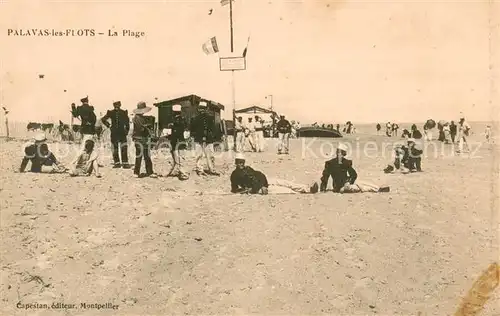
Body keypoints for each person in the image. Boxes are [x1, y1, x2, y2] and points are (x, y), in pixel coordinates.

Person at [230, 153, 319, 195]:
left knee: (286, 183)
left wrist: (263, 184)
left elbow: (259, 174)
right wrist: (248, 190)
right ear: (236, 163)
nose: (241, 164)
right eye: (239, 162)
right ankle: (306, 192)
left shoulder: (248, 168)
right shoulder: (234, 175)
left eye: (242, 162)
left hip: (265, 182)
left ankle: (308, 188)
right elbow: (234, 189)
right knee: (286, 190)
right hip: (258, 188)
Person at [320, 143, 389, 193]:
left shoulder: (346, 162)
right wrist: (323, 189)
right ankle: (378, 190)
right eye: (338, 152)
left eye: (341, 153)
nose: (339, 154)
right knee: (359, 187)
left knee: (361, 182)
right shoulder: (330, 163)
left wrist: (349, 182)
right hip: (339, 188)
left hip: (347, 184)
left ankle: (378, 188)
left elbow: (354, 175)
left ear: (344, 154)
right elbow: (325, 177)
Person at [190, 101, 219, 176]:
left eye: (204, 108)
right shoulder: (195, 119)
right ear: (198, 109)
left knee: (210, 155)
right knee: (199, 155)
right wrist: (196, 135)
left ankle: (212, 169)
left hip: (209, 140)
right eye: (201, 108)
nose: (202, 110)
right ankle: (200, 170)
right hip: (198, 139)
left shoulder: (210, 118)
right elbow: (192, 130)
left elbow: (213, 129)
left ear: (206, 109)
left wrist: (211, 136)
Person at [101, 101, 130, 168]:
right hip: (116, 132)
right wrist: (108, 125)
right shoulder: (111, 112)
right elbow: (103, 119)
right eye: (115, 105)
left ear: (120, 105)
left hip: (121, 132)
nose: (117, 106)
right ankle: (117, 163)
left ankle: (124, 163)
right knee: (116, 148)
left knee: (123, 147)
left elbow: (127, 122)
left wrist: (126, 130)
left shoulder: (123, 112)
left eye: (118, 105)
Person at [132, 101, 158, 178]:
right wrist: (148, 127)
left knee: (146, 155)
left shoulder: (140, 118)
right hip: (139, 139)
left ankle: (146, 172)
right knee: (140, 156)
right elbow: (142, 128)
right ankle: (138, 172)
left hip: (143, 139)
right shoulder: (137, 118)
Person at [166, 104, 189, 180]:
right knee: (182, 158)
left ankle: (178, 172)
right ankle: (182, 173)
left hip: (174, 141)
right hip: (181, 141)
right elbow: (186, 133)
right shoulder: (184, 120)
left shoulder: (171, 122)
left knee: (176, 158)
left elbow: (169, 133)